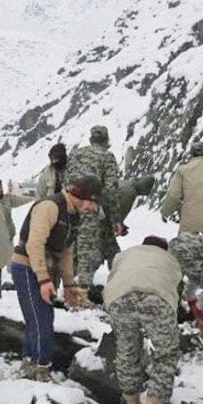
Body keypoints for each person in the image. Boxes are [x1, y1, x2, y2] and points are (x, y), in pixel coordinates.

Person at [11, 176, 101, 382]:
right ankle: (41, 369)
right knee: (41, 319)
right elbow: (34, 244)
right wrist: (43, 280)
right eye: (93, 204)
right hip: (26, 266)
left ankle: (30, 359)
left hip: (44, 268)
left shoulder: (73, 214)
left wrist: (69, 285)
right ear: (83, 197)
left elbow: (66, 252)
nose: (93, 209)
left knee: (40, 317)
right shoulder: (50, 207)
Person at [103, 236, 182, 404]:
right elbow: (174, 287)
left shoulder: (124, 255)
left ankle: (131, 403)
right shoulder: (170, 259)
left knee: (127, 350)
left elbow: (112, 277)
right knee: (166, 353)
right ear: (164, 249)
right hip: (155, 297)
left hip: (118, 298)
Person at [66, 125, 122, 292]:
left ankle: (69, 288)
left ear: (91, 140)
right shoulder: (107, 156)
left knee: (73, 249)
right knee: (87, 251)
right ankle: (83, 292)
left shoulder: (75, 154)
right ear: (106, 141)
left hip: (69, 206)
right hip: (90, 208)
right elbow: (111, 190)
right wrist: (115, 219)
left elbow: (65, 179)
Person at [99, 176, 155, 270]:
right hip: (102, 222)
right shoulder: (130, 193)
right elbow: (119, 212)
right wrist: (120, 226)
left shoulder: (125, 183)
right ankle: (117, 277)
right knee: (112, 254)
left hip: (97, 215)